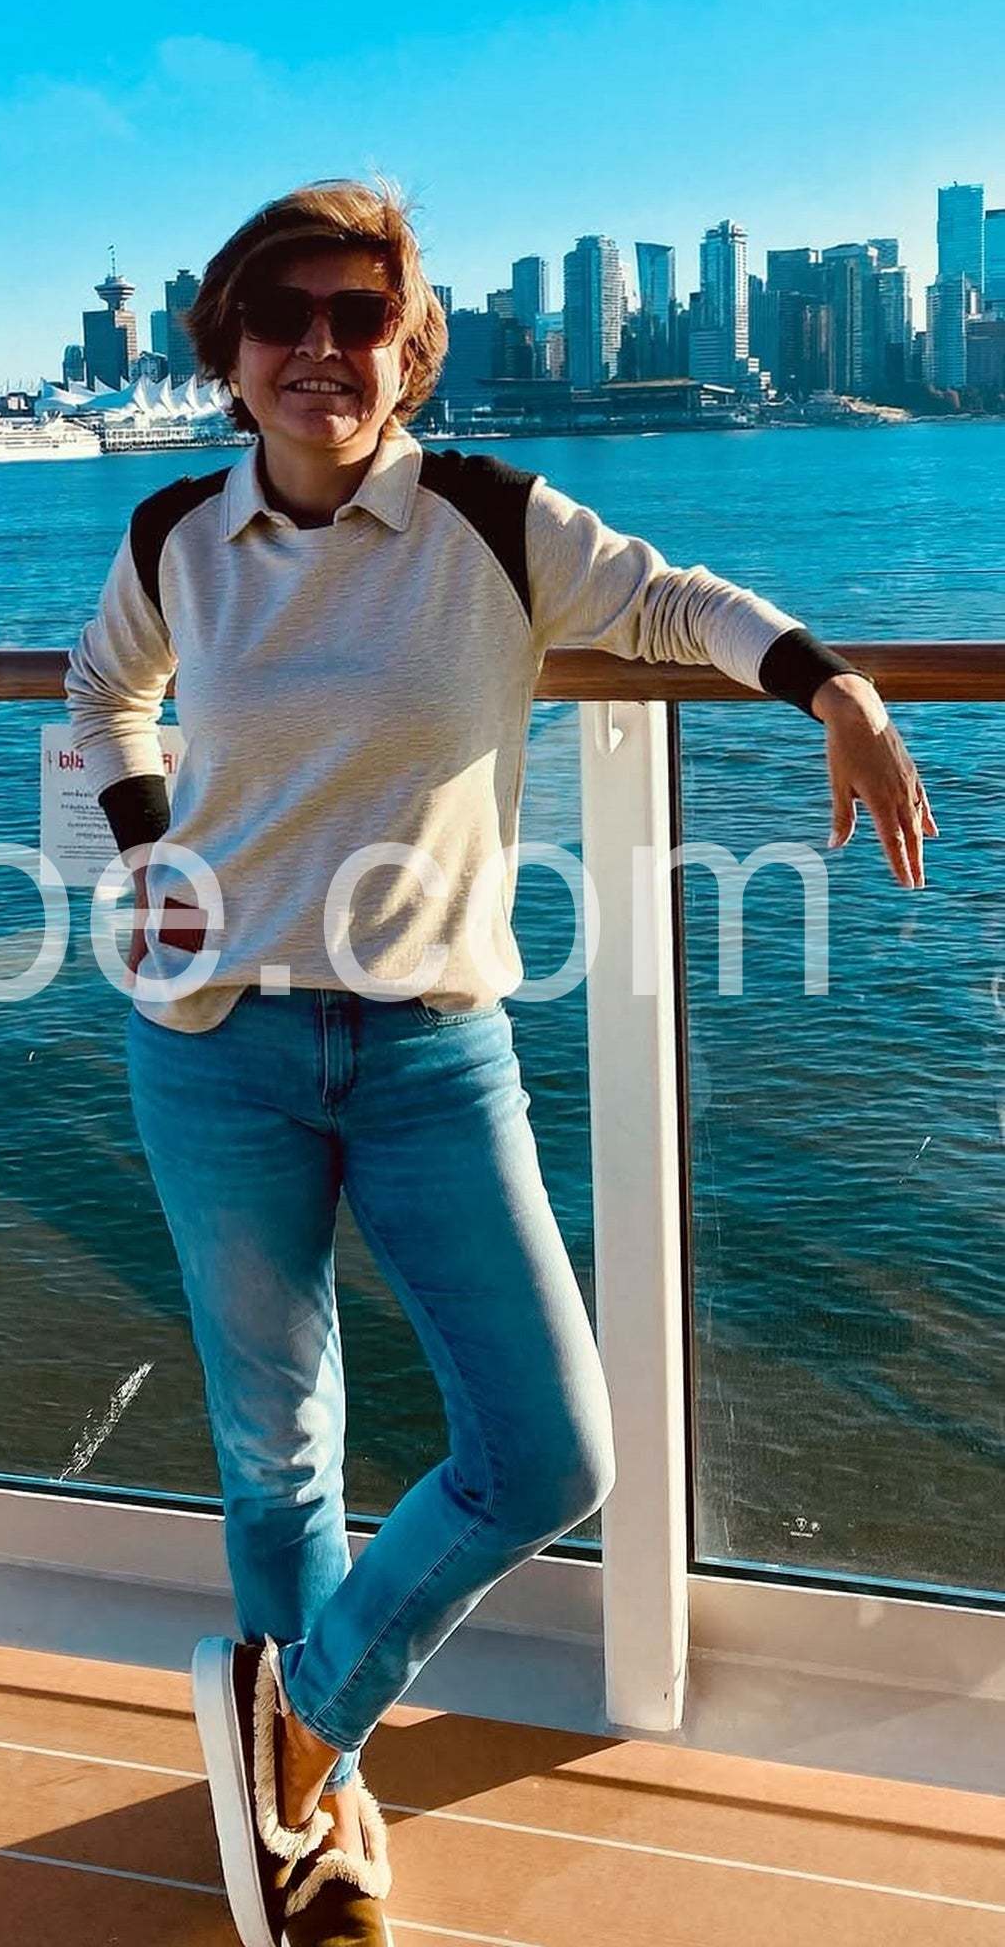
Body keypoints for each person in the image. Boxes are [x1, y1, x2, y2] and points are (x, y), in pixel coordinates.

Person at [63, 179, 934, 1947]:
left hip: (429, 1048)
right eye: (283, 316)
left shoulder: (487, 519)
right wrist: (149, 852)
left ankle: (298, 1720)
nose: (321, 347)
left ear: (410, 354)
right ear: (228, 352)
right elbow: (101, 694)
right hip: (213, 1042)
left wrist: (830, 686)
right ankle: (308, 1821)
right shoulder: (173, 536)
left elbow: (673, 604)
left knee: (546, 1452)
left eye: (360, 318)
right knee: (274, 1453)